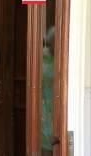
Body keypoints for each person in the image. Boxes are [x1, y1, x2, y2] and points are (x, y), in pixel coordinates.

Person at [41, 26, 55, 156]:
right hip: (44, 106)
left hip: (58, 105)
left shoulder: (65, 58)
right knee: (46, 142)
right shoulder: (42, 58)